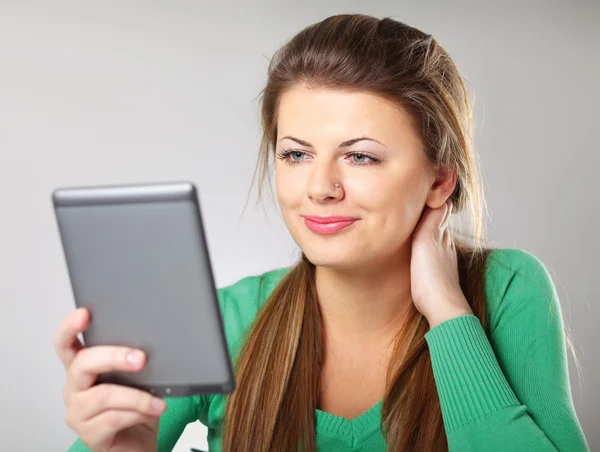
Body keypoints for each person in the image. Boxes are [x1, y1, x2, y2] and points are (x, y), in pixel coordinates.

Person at [54, 13, 589, 452]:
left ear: (439, 180)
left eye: (359, 156)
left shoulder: (508, 289)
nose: (320, 187)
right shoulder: (228, 319)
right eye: (296, 154)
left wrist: (449, 314)